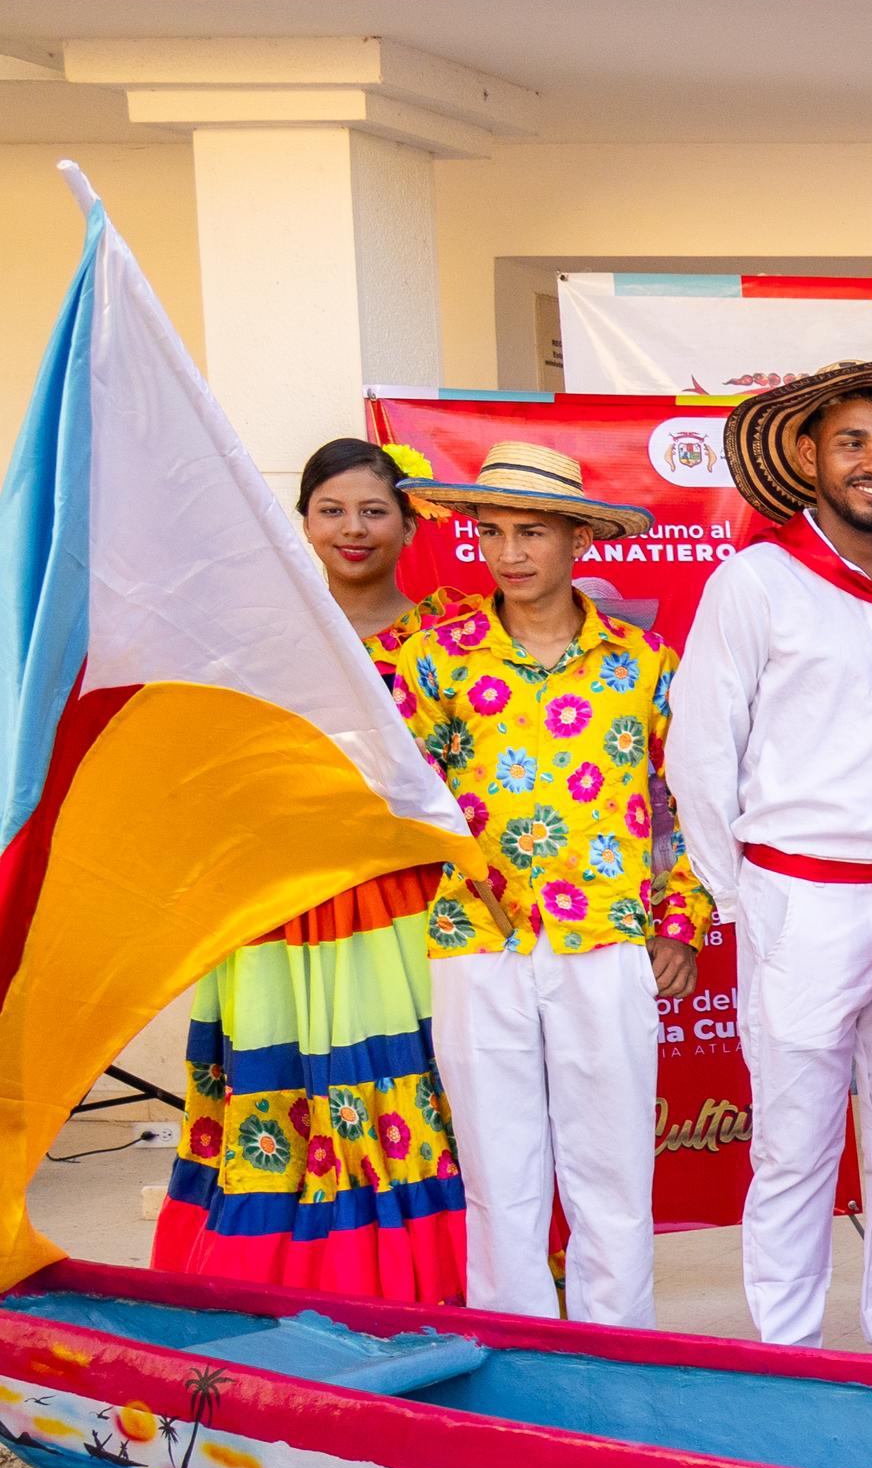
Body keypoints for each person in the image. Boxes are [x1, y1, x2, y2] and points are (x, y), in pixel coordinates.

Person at [666, 359, 872, 1353]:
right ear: (808, 455)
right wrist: (738, 896)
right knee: (796, 1144)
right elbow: (699, 747)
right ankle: (788, 1353)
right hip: (798, 897)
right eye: (851, 442)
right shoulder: (754, 583)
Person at [389, 444, 712, 1327]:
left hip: (606, 939)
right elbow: (401, 799)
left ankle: (622, 1360)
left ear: (579, 539)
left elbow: (684, 796)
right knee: (500, 1175)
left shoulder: (643, 663)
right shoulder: (436, 659)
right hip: (477, 939)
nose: (508, 552)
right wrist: (452, 874)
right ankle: (518, 1363)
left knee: (612, 1173)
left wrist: (679, 919)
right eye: (491, 531)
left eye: (531, 531)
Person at [151, 439, 469, 1301]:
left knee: (414, 1092)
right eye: (331, 510)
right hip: (276, 904)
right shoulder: (254, 645)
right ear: (302, 524)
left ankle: (419, 1281)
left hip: (399, 906)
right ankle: (274, 1280)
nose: (353, 529)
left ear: (409, 525)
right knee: (276, 1090)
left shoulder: (453, 639)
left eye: (374, 510)